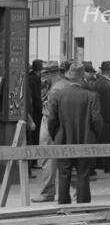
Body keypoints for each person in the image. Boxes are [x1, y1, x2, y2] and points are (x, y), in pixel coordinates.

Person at [48, 64, 103, 204]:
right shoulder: (91, 96)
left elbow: (52, 119)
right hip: (85, 139)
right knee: (83, 175)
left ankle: (63, 205)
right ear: (82, 78)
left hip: (63, 139)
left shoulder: (58, 95)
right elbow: (96, 120)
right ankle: (83, 205)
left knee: (63, 174)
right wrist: (95, 135)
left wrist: (55, 134)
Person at [31, 62, 70, 203]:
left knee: (48, 159)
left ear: (49, 74)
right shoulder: (66, 84)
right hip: (63, 126)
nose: (43, 78)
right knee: (65, 160)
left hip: (51, 126)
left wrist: (51, 131)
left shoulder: (55, 89)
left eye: (44, 75)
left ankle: (48, 192)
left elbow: (51, 114)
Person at [94, 60, 110, 173]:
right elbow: (109, 104)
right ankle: (108, 166)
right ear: (109, 71)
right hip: (107, 119)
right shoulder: (108, 85)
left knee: (100, 141)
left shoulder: (97, 82)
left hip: (98, 117)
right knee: (109, 143)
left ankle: (99, 164)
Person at [27, 59, 44, 156]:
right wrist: (41, 110)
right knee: (35, 134)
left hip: (31, 110)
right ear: (39, 70)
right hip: (35, 112)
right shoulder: (36, 79)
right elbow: (37, 97)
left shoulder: (29, 77)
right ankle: (34, 160)